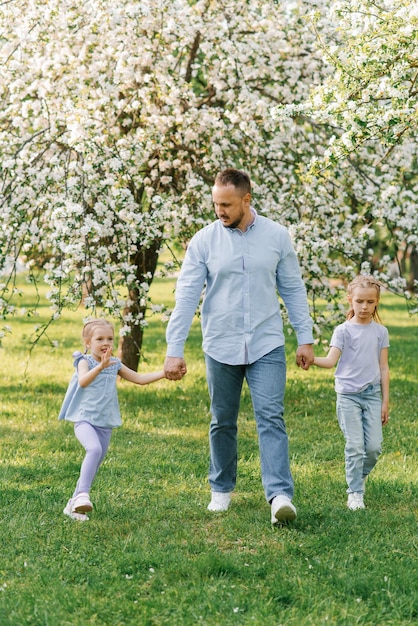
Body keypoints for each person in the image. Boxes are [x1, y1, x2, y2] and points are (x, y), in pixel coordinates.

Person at [164, 168, 314, 524]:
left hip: (266, 343)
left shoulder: (277, 236)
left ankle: (279, 496)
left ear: (247, 199)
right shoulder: (204, 241)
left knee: (271, 418)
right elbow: (186, 296)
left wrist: (304, 337)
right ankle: (221, 489)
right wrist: (175, 348)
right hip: (220, 343)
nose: (220, 211)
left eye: (227, 204)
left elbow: (293, 288)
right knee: (222, 420)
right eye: (216, 203)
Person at [59, 318, 166, 521]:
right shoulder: (84, 361)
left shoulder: (115, 363)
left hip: (105, 423)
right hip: (84, 420)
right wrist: (100, 367)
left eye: (110, 338)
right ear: (87, 343)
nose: (105, 342)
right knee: (94, 449)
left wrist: (164, 373)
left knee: (95, 463)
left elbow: (139, 379)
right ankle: (83, 495)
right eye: (99, 339)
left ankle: (73, 505)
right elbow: (83, 381)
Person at [312, 275, 390, 510]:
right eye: (359, 301)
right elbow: (330, 361)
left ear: (376, 303)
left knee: (374, 447)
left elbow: (384, 368)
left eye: (369, 302)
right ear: (350, 301)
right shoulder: (342, 331)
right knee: (355, 446)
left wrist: (386, 401)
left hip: (372, 394)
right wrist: (311, 359)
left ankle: (357, 475)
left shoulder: (380, 332)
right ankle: (355, 492)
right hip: (347, 395)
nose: (364, 307)